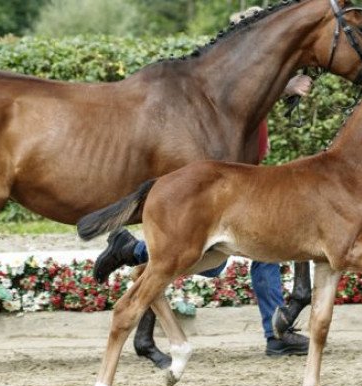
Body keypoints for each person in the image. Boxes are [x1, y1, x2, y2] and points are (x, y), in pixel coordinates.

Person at [93, 7, 313, 357]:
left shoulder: (252, 81)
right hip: (231, 178)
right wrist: (286, 86)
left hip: (247, 175)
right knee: (211, 259)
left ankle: (276, 333)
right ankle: (131, 250)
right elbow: (246, 85)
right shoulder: (233, 78)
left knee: (266, 249)